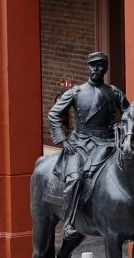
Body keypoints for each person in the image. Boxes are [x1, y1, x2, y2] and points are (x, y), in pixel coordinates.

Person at [48, 52, 128, 240]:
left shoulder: (114, 93)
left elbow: (128, 114)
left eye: (100, 66)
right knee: (75, 179)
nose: (95, 69)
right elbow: (53, 114)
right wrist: (64, 140)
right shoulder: (75, 92)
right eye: (92, 65)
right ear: (88, 67)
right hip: (81, 145)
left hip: (108, 143)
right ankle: (69, 223)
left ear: (105, 69)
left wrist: (123, 128)